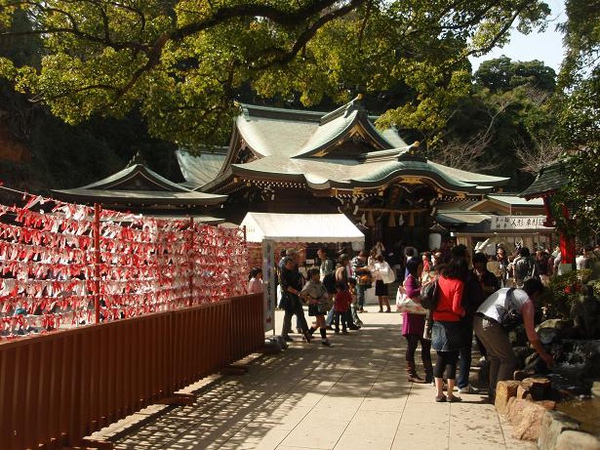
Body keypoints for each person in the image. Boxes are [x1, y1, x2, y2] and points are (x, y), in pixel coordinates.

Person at [473, 278, 554, 401]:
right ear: (536, 293)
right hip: (490, 324)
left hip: (478, 320)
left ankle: (492, 392)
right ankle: (499, 396)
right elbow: (531, 334)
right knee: (509, 360)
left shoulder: (509, 291)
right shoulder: (527, 302)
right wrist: (544, 356)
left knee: (496, 357)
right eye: (539, 297)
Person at [431, 256, 468, 403]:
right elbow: (455, 307)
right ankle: (451, 395)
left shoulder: (438, 281)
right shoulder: (458, 284)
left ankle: (439, 393)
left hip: (437, 321)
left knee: (440, 357)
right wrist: (464, 312)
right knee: (452, 359)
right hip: (452, 323)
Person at [402, 258, 433, 383]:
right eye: (420, 267)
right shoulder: (410, 279)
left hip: (419, 318)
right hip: (412, 319)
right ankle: (411, 373)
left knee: (426, 346)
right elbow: (410, 293)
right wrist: (424, 287)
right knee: (412, 346)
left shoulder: (416, 279)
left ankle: (430, 374)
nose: (421, 269)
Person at [279, 256, 311, 343]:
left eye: (292, 263)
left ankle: (307, 333)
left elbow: (301, 283)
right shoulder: (282, 273)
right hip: (288, 298)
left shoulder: (295, 272)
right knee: (288, 317)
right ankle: (284, 335)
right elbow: (286, 287)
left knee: (301, 316)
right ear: (285, 264)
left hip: (296, 298)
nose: (291, 265)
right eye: (289, 263)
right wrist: (298, 293)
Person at [300, 268, 331, 346]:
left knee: (318, 323)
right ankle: (324, 339)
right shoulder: (309, 284)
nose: (319, 276)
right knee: (322, 321)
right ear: (312, 276)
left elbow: (324, 291)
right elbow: (302, 294)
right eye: (317, 275)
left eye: (319, 274)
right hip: (315, 305)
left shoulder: (320, 283)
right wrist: (310, 300)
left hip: (321, 303)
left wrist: (325, 297)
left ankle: (307, 334)